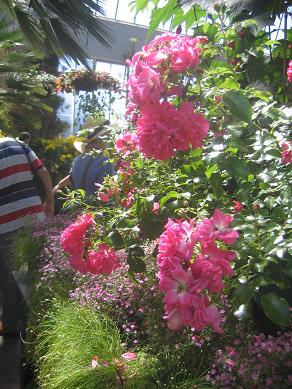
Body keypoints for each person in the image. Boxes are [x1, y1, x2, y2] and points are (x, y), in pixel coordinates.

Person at [0, 136, 54, 336]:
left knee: (8, 275)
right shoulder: (20, 145)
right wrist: (50, 201)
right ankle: (38, 324)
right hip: (32, 215)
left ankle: (12, 325)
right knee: (34, 269)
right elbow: (44, 173)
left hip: (4, 222)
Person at [53, 122, 114, 196]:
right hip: (95, 206)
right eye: (107, 137)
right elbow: (104, 191)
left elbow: (71, 178)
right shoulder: (105, 162)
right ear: (100, 141)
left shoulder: (77, 160)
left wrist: (56, 188)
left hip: (78, 204)